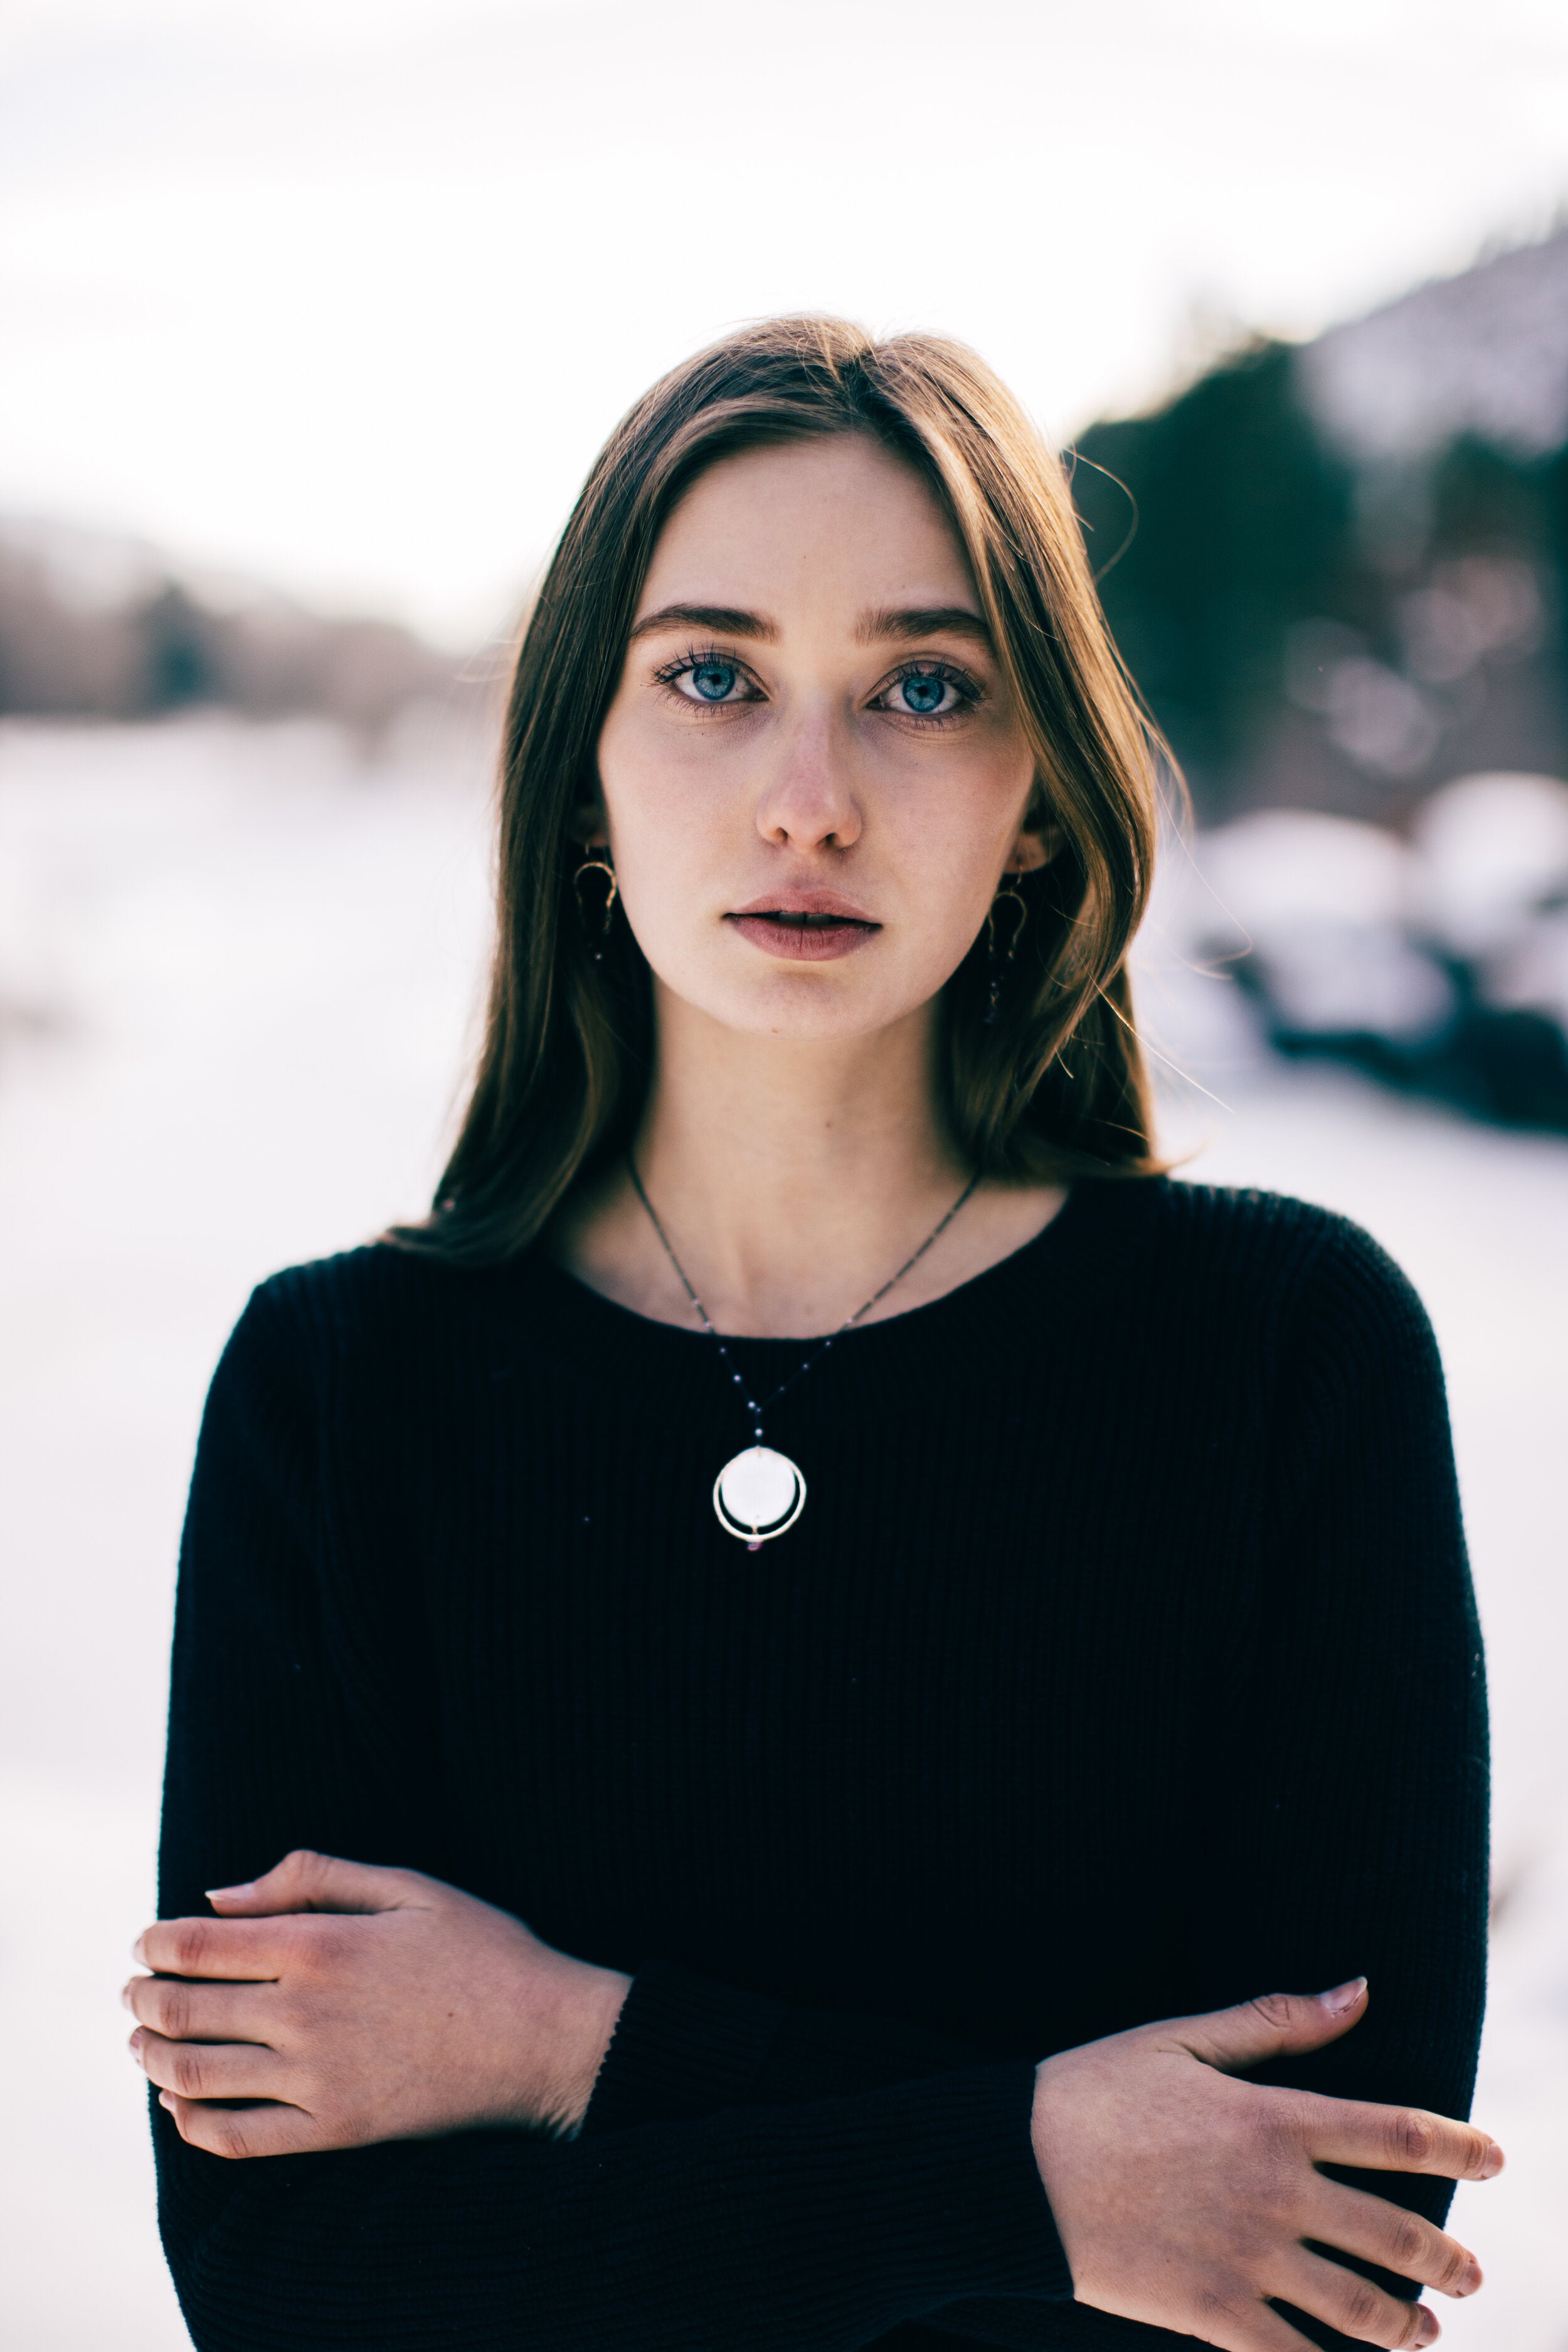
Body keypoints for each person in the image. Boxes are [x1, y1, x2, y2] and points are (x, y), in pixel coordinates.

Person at [128, 318, 1498, 2352]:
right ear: (582, 762)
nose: (809, 799)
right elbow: (290, 2288)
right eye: (710, 677)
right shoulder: (344, 1394)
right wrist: (1041, 2174)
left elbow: (1318, 2247)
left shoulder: (1282, 1356)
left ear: (1039, 793)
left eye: (923, 689)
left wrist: (568, 2049)